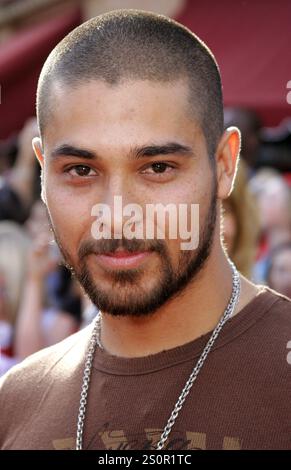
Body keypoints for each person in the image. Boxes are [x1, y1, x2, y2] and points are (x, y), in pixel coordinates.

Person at [0, 10, 290, 451]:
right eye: (80, 169)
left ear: (225, 166)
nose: (117, 216)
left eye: (157, 167)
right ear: (42, 174)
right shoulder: (16, 403)